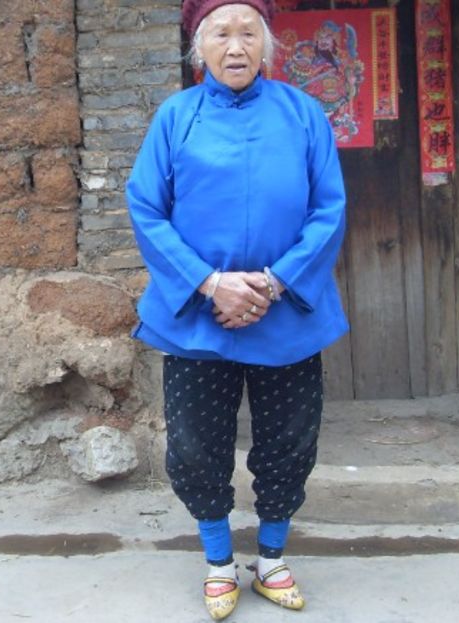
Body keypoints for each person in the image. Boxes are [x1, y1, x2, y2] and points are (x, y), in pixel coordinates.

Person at [126, 0, 348, 619]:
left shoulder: (303, 114)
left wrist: (272, 285)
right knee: (197, 445)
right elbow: (146, 207)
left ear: (267, 45)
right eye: (220, 33)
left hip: (286, 314)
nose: (235, 46)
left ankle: (272, 559)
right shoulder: (176, 117)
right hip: (199, 316)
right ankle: (219, 562)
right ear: (200, 48)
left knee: (289, 441)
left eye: (248, 32)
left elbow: (328, 209)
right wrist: (210, 283)